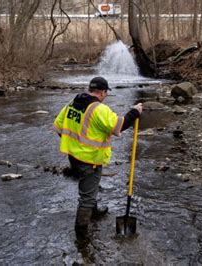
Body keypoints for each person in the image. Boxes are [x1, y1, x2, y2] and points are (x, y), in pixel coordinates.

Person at [53, 76, 143, 240]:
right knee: (86, 198)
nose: (106, 95)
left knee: (90, 187)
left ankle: (94, 213)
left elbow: (58, 126)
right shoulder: (99, 109)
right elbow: (119, 125)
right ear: (102, 92)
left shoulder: (72, 103)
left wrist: (75, 145)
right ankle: (81, 237)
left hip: (73, 157)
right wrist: (135, 112)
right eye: (106, 93)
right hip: (90, 160)